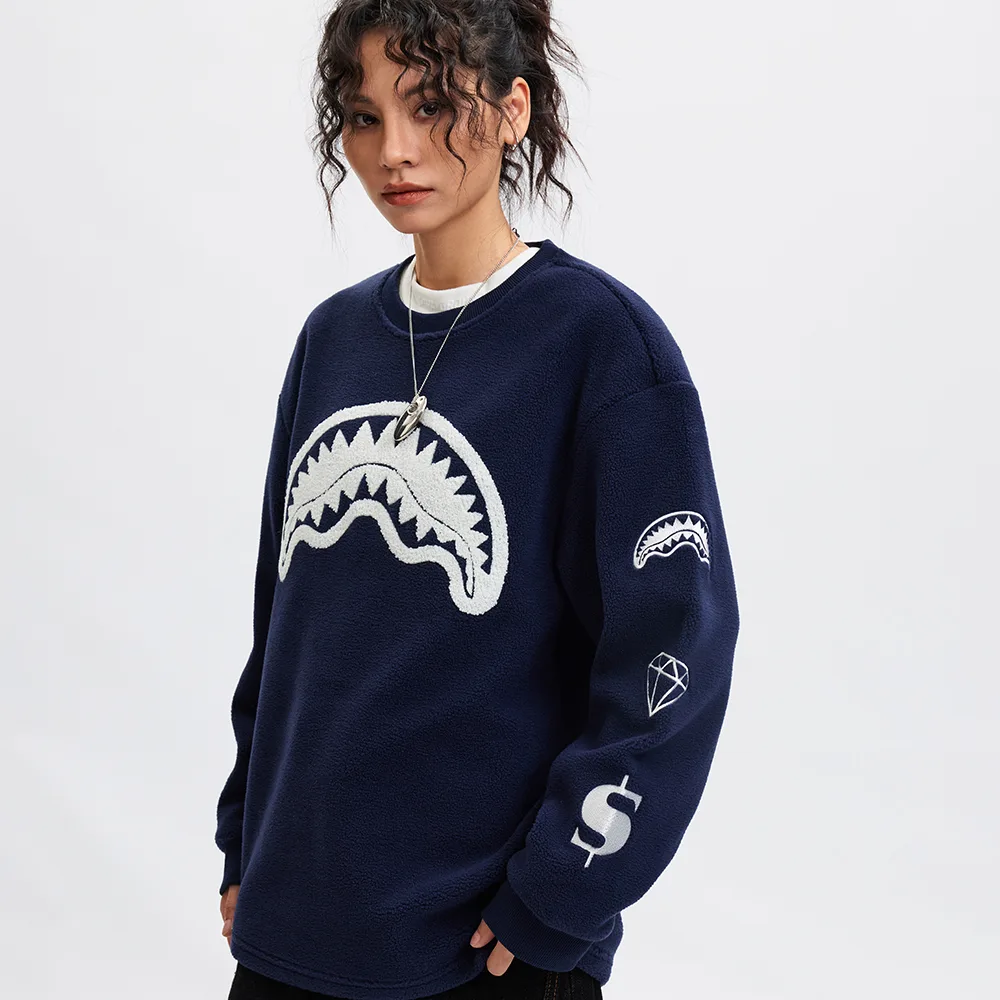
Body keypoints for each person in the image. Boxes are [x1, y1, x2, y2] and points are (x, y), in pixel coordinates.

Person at [215, 2, 741, 999]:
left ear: (512, 108)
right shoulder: (332, 340)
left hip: (484, 949)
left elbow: (674, 651)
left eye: (430, 106)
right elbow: (283, 631)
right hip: (292, 928)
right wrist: (246, 837)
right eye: (363, 116)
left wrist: (561, 891)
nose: (393, 150)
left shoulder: (601, 346)